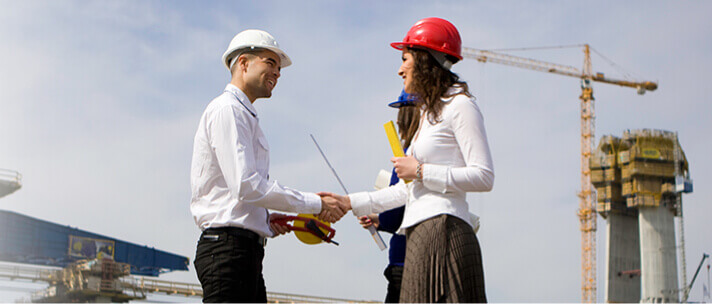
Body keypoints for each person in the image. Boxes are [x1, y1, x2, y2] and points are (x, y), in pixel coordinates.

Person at [330, 17, 495, 302]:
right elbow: (405, 192)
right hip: (420, 234)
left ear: (424, 60)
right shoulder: (428, 117)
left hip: (444, 230)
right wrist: (348, 202)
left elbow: (483, 176)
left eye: (405, 59)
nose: (399, 69)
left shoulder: (461, 105)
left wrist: (420, 170)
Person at [190, 29, 349, 303]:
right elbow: (246, 185)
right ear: (243, 63)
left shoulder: (242, 114)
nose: (278, 73)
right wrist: (315, 203)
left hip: (240, 252)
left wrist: (263, 218)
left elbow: (241, 191)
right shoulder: (228, 110)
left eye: (278, 67)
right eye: (270, 63)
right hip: (228, 252)